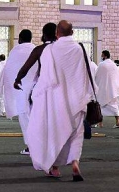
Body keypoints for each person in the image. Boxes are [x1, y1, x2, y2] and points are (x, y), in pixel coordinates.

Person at [27, 20, 93, 181]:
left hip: (56, 101)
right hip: (76, 99)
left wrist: (36, 95)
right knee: (76, 134)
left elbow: (46, 79)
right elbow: (86, 73)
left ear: (57, 33)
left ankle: (55, 168)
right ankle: (75, 163)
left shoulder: (49, 50)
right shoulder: (78, 48)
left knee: (56, 134)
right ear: (72, 32)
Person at [2, 29, 37, 155]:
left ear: (20, 39)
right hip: (36, 90)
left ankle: (31, 146)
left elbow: (9, 71)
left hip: (21, 91)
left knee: (25, 117)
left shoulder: (15, 52)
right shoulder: (36, 50)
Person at [95, 51, 119, 128]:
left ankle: (100, 123)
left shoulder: (102, 64)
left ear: (104, 56)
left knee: (100, 105)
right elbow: (116, 77)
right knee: (114, 105)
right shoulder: (113, 65)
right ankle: (118, 121)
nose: (101, 56)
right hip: (112, 89)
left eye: (102, 55)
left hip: (103, 88)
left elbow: (97, 75)